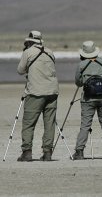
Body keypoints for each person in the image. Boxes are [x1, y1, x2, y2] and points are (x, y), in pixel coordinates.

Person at [17, 30, 59, 162]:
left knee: (29, 123)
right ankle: (47, 153)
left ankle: (27, 152)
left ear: (29, 41)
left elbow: (20, 70)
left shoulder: (28, 52)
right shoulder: (50, 52)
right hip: (52, 92)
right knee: (49, 123)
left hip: (35, 92)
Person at [72, 41, 102, 160]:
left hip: (88, 99)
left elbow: (78, 82)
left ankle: (79, 152)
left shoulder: (81, 65)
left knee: (85, 125)